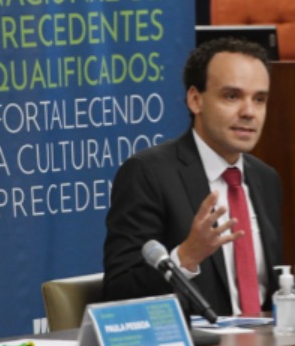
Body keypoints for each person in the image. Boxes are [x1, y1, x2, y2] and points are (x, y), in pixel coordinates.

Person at [103, 37, 282, 316]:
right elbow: (118, 292)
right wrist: (185, 256)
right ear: (195, 100)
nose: (249, 112)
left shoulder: (265, 179)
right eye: (232, 96)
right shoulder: (148, 174)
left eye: (259, 99)